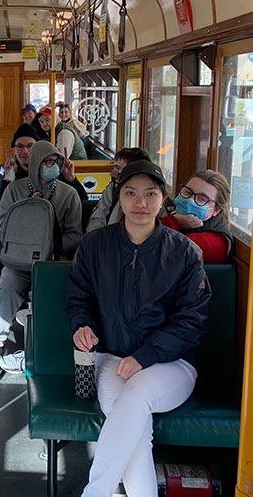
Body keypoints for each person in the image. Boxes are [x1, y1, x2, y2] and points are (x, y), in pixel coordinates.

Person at [66, 160, 211, 497]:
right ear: (120, 197)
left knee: (135, 396)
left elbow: (192, 320)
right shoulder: (94, 246)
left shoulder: (184, 253)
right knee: (134, 430)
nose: (140, 203)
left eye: (150, 194)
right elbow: (79, 299)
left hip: (172, 364)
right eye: (130, 193)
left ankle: (95, 492)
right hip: (110, 358)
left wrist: (146, 355)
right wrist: (82, 325)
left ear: (163, 200)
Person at [0, 140, 82, 377]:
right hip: (18, 261)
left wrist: (50, 245)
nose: (52, 166)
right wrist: (29, 213)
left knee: (50, 296)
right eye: (46, 162)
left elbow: (75, 235)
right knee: (6, 288)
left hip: (54, 263)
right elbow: (3, 228)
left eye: (55, 162)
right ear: (36, 163)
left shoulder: (68, 195)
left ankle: (44, 349)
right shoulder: (14, 190)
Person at [0, 124, 87, 292]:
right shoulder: (11, 176)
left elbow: (81, 204)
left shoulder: (59, 178)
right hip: (15, 235)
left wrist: (72, 179)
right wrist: (7, 181)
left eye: (30, 146)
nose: (25, 152)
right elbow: (2, 209)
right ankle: (4, 290)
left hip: (52, 245)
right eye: (20, 147)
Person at [161, 169, 233, 263]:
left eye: (202, 199)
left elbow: (158, 252)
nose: (190, 200)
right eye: (188, 192)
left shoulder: (214, 241)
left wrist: (174, 221)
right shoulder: (181, 217)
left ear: (216, 210)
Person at [86, 147, 151, 232]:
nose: (114, 172)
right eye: (115, 167)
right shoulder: (112, 189)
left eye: (118, 168)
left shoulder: (150, 199)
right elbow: (97, 219)